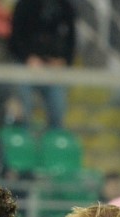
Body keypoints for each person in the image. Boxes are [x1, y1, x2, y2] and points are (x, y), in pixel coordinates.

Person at [7, 0, 75, 130]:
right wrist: (28, 58)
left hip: (54, 70)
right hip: (25, 65)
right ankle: (24, 138)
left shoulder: (65, 6)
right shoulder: (23, 5)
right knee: (24, 103)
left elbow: (71, 40)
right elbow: (14, 39)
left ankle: (55, 142)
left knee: (57, 107)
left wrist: (63, 60)